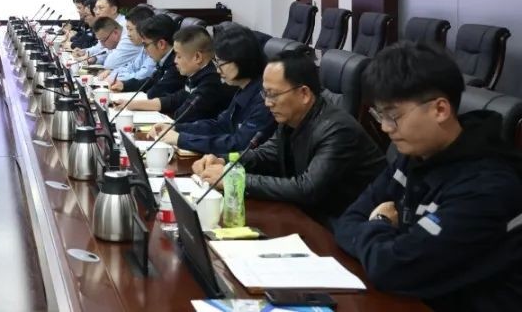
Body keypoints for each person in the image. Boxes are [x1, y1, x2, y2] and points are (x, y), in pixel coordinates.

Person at [334, 42, 522, 310]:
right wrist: (385, 243)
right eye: (380, 115)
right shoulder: (414, 156)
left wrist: (378, 223)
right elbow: (347, 221)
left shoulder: (487, 186)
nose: (385, 128)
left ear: (440, 110)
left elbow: (392, 269)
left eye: (393, 116)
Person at [193, 49, 384, 224]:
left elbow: (306, 189)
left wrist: (234, 179)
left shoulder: (337, 129)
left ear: (304, 94)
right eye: (265, 94)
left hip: (346, 226)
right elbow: (264, 155)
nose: (267, 103)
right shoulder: (291, 119)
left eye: (273, 95)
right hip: (310, 215)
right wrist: (222, 161)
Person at [157, 25, 275, 155]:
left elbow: (239, 144)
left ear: (241, 60)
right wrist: (176, 128)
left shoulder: (264, 98)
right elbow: (220, 125)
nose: (218, 70)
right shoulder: (243, 88)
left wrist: (182, 139)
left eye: (221, 64)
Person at [145, 25, 233, 124]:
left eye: (179, 56)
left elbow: (182, 116)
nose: (175, 61)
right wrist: (134, 104)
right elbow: (175, 99)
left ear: (197, 57)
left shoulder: (211, 81)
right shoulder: (197, 74)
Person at [110, 14, 186, 112]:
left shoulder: (177, 64)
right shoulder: (165, 59)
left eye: (145, 45)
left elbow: (154, 93)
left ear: (161, 44)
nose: (145, 51)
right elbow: (151, 81)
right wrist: (124, 85)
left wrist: (134, 104)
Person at [98, 4, 157, 83]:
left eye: (130, 29)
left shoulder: (154, 47)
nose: (128, 34)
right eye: (127, 30)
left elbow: (141, 75)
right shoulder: (144, 47)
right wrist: (112, 72)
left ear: (142, 28)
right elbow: (132, 67)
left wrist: (115, 77)